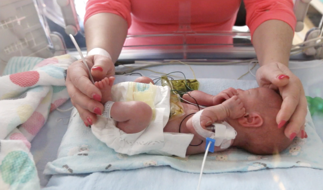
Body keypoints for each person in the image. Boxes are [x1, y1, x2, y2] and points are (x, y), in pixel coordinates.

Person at [65, 0, 307, 141]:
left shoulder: (220, 136)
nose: (239, 93)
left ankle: (112, 106)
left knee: (137, 106)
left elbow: (269, 5)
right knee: (137, 95)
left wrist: (275, 65)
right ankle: (110, 105)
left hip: (222, 59)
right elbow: (110, 3)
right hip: (137, 56)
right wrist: (100, 54)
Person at [91, 76, 300, 156]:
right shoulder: (218, 114)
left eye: (245, 94)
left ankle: (106, 107)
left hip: (135, 132)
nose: (237, 90)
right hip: (157, 111)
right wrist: (211, 100)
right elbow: (188, 97)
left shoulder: (221, 139)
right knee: (146, 82)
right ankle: (117, 103)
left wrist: (222, 110)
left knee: (140, 111)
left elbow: (193, 125)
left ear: (250, 119)